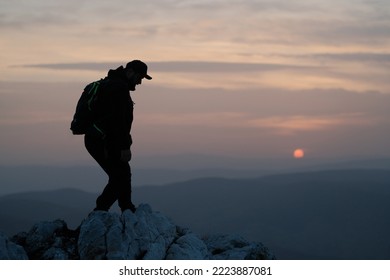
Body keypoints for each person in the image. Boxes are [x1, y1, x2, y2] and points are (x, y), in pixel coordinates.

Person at [84, 60, 152, 213]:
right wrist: (124, 147)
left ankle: (126, 208)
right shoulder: (118, 89)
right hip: (103, 140)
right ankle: (100, 212)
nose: (140, 82)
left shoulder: (112, 84)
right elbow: (118, 122)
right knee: (120, 176)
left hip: (99, 138)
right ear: (130, 72)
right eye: (139, 77)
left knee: (122, 173)